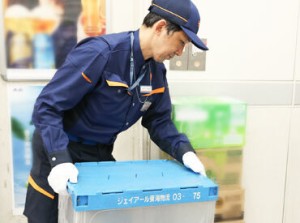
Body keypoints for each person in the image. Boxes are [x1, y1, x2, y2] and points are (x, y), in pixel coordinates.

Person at [23, 0, 208, 222]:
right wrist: (60, 159)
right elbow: (47, 107)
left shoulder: (156, 72)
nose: (180, 52)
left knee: (100, 216)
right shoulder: (100, 53)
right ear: (160, 27)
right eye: (180, 42)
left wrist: (184, 150)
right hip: (58, 147)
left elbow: (159, 121)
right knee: (50, 215)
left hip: (98, 155)